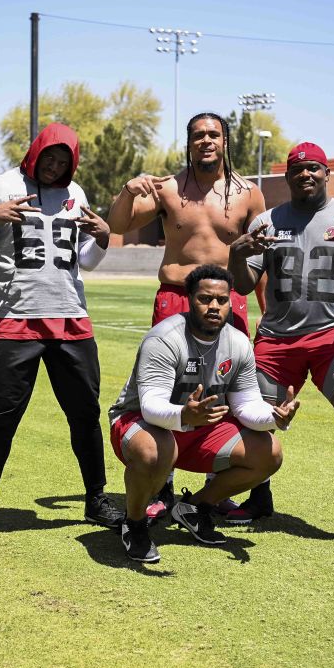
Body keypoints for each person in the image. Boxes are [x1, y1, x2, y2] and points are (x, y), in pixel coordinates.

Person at [0, 122, 123, 548]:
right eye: (49, 157)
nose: (55, 166)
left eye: (64, 161)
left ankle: (96, 498)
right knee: (3, 419)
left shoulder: (76, 193)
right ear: (34, 153)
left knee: (84, 414)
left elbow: (83, 261)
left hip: (71, 319)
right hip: (15, 320)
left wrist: (101, 240)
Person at [227, 142, 334, 551]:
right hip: (278, 338)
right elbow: (244, 286)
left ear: (326, 173)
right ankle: (258, 495)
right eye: (298, 169)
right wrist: (238, 255)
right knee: (253, 416)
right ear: (287, 177)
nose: (306, 175)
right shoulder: (268, 220)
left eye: (314, 168)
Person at [107, 112, 268, 520]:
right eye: (198, 135)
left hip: (226, 297)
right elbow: (118, 223)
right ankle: (160, 484)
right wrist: (128, 190)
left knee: (226, 389)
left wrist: (267, 313)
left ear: (226, 141)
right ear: (189, 142)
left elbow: (260, 260)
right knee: (169, 387)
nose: (206, 141)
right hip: (176, 296)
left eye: (214, 134)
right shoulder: (168, 188)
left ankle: (216, 488)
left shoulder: (249, 193)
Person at [109, 265, 298, 562]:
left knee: (268, 452)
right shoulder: (164, 338)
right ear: (189, 299)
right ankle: (133, 524)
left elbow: (246, 404)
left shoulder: (237, 343)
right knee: (152, 451)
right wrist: (185, 416)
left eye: (221, 300)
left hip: (198, 428)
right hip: (143, 424)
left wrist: (274, 416)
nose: (214, 306)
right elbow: (150, 405)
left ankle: (195, 508)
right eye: (205, 299)